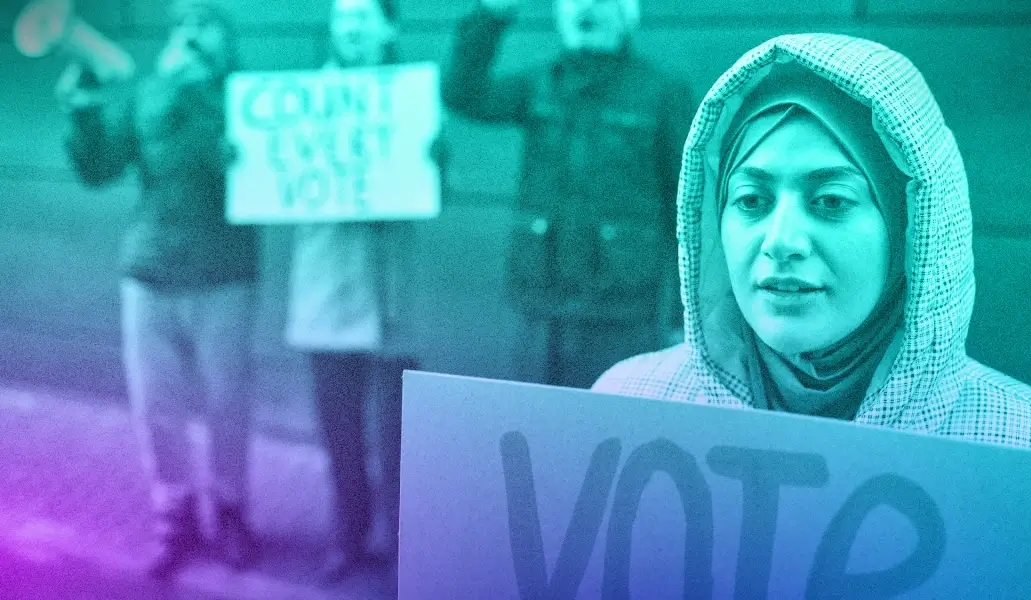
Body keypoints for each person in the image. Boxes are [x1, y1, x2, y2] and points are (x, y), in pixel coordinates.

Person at [593, 32, 1031, 599]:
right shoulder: (627, 407)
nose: (782, 240)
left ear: (908, 228)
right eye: (751, 200)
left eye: (831, 201)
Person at [56, 0, 259, 579]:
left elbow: (245, 168)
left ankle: (232, 509)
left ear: (227, 39)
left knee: (228, 405)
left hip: (224, 274)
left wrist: (199, 94)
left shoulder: (249, 100)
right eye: (184, 26)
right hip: (150, 273)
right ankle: (176, 513)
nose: (193, 35)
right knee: (158, 408)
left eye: (207, 25)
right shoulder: (152, 93)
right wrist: (85, 114)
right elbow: (100, 169)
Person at [440, 0, 694, 388]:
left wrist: (682, 318)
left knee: (612, 428)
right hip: (542, 308)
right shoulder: (540, 85)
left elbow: (687, 210)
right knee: (539, 429)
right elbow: (463, 94)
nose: (585, 7)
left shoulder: (663, 93)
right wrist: (490, 16)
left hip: (622, 311)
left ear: (628, 17)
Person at [285, 0, 444, 584]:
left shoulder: (412, 101)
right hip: (327, 290)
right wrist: (247, 162)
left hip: (393, 296)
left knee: (401, 437)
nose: (350, 27)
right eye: (341, 17)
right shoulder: (297, 106)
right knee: (340, 433)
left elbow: (431, 193)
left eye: (362, 16)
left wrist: (433, 163)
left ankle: (406, 548)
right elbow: (275, 182)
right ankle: (348, 536)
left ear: (388, 28)